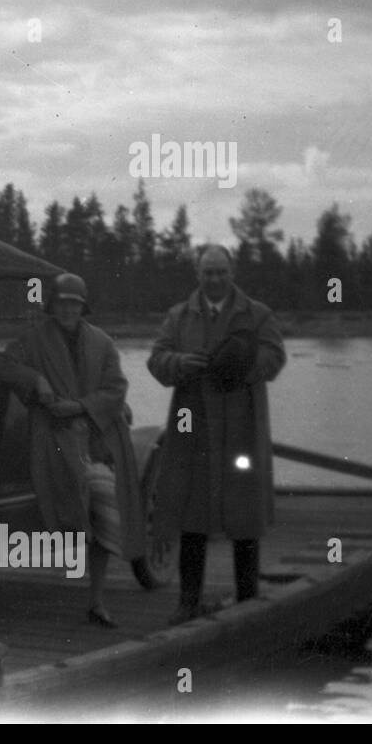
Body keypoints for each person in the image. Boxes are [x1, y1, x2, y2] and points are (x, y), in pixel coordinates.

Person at [0, 273, 145, 627]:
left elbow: (116, 389)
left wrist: (79, 406)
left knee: (104, 510)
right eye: (61, 302)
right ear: (52, 306)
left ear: (83, 307)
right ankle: (72, 571)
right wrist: (33, 380)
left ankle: (97, 599)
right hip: (56, 441)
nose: (68, 309)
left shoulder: (102, 343)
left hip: (98, 437)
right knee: (72, 507)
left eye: (74, 303)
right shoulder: (34, 340)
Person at [147, 244, 285, 625]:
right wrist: (179, 363)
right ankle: (188, 602)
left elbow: (275, 358)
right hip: (194, 428)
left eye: (221, 272)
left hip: (242, 428)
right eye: (208, 273)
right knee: (193, 513)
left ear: (232, 272)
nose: (215, 279)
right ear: (198, 274)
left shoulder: (257, 314)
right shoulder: (178, 316)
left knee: (245, 512)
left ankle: (247, 600)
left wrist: (241, 364)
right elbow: (156, 361)